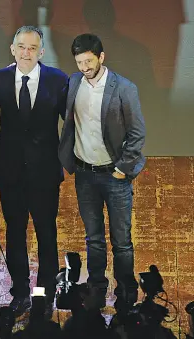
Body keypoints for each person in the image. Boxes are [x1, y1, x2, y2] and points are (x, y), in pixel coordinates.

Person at [59, 33, 146, 312]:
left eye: (89, 61)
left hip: (114, 175)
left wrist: (122, 169)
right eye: (80, 62)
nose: (84, 67)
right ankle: (97, 287)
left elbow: (137, 133)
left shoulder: (123, 88)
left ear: (101, 57)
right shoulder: (74, 83)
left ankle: (126, 291)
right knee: (93, 238)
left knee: (121, 241)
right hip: (85, 174)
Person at [0, 26, 68, 318]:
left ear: (41, 52)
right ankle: (21, 293)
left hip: (45, 173)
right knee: (15, 234)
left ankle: (42, 295)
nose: (26, 53)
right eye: (21, 47)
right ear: (12, 49)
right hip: (10, 173)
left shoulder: (57, 80)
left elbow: (70, 123)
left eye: (32, 48)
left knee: (47, 233)